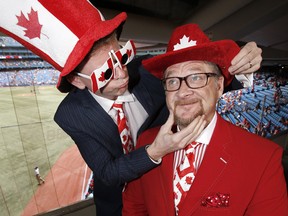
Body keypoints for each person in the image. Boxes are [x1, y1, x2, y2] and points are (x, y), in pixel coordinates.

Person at [0, 1, 263, 215]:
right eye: (105, 73)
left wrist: (242, 63)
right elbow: (107, 171)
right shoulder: (71, 114)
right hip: (115, 204)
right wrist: (157, 150)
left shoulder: (148, 72)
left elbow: (201, 82)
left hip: (165, 190)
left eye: (122, 56)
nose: (122, 74)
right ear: (76, 81)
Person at [122, 24, 288, 216]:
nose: (183, 92)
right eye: (173, 81)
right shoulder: (146, 142)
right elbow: (134, 209)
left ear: (219, 87)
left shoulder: (263, 159)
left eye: (196, 77)